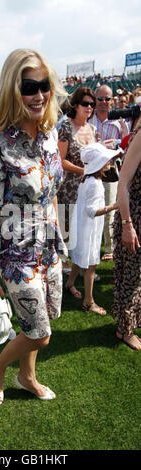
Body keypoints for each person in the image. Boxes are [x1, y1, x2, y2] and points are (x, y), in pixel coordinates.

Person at [0, 48, 68, 405]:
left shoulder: (49, 135)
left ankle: (26, 376)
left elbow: (54, 192)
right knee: (41, 333)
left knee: (42, 322)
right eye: (29, 86)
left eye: (44, 85)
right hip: (17, 255)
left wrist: (61, 236)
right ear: (13, 89)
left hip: (49, 248)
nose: (39, 95)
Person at [68, 143, 119, 315]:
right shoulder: (95, 184)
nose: (109, 163)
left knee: (78, 258)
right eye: (106, 161)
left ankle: (69, 283)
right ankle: (88, 301)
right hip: (89, 230)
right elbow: (91, 211)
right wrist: (112, 206)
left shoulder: (87, 179)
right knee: (91, 266)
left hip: (83, 227)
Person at [57, 86, 97, 293]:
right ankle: (63, 266)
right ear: (76, 105)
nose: (89, 107)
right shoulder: (65, 126)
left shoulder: (92, 129)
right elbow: (60, 160)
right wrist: (84, 170)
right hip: (69, 187)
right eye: (85, 103)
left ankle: (79, 267)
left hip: (89, 188)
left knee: (83, 230)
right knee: (68, 229)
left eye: (92, 104)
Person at [89, 85, 129, 261]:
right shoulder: (89, 120)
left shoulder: (119, 121)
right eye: (100, 99)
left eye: (107, 99)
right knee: (90, 210)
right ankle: (90, 246)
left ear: (112, 101)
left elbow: (127, 145)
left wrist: (116, 147)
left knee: (109, 210)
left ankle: (109, 248)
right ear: (95, 100)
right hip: (90, 171)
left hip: (111, 170)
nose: (104, 102)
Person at [112, 124, 141, 350]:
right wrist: (127, 225)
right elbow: (123, 184)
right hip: (133, 217)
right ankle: (124, 330)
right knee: (131, 278)